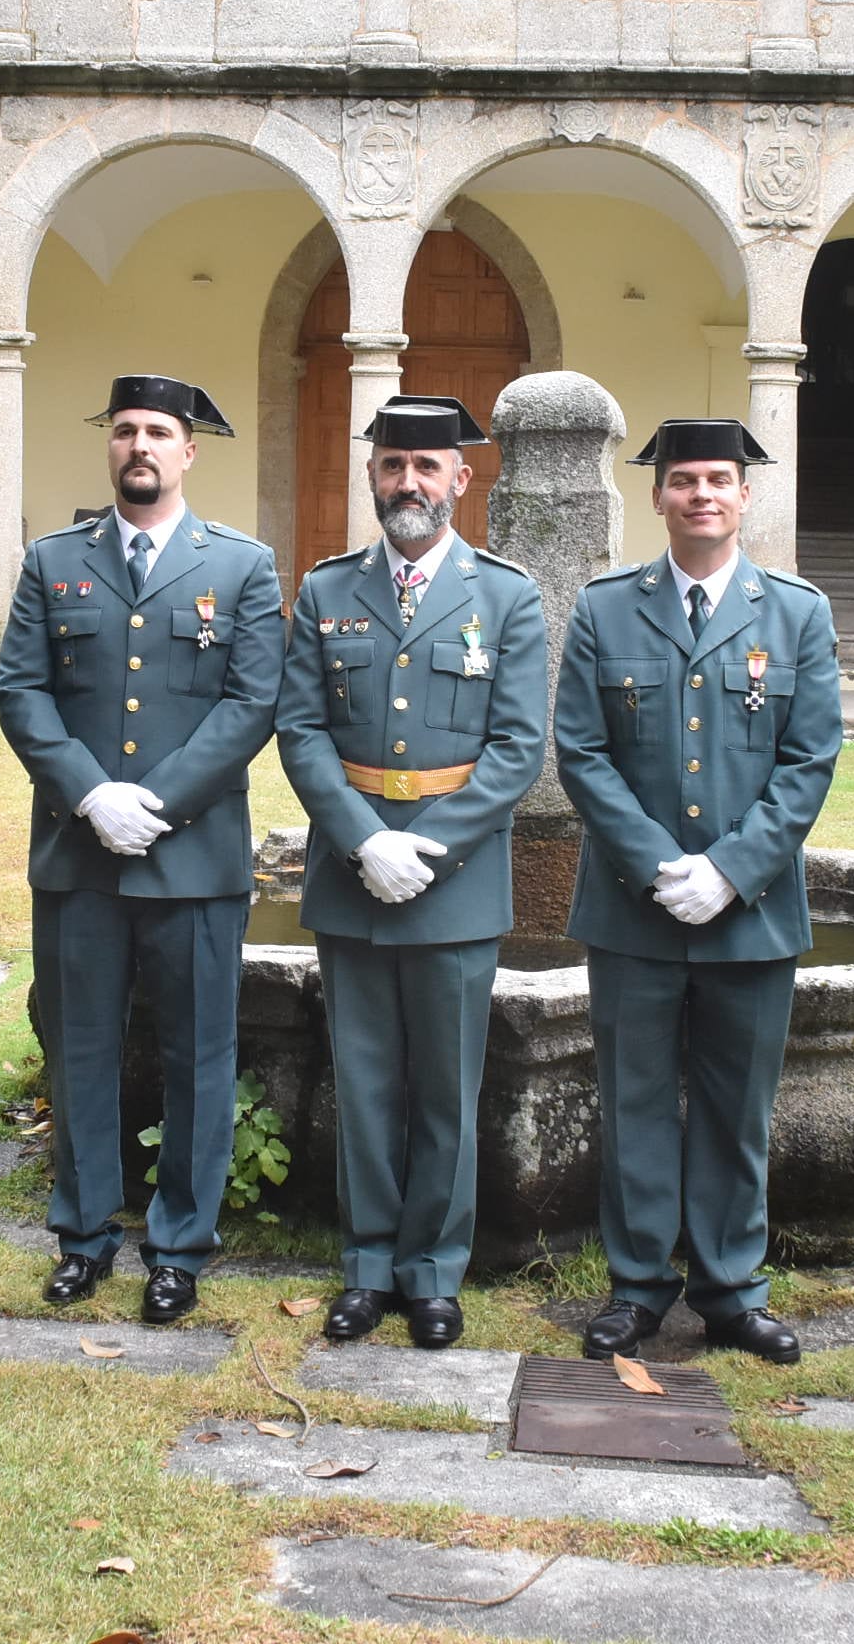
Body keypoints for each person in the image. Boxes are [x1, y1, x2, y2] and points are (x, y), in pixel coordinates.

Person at [0, 376, 283, 1325]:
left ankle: (179, 1245)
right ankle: (82, 1236)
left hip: (192, 856)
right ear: (109, 445)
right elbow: (23, 692)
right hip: (81, 856)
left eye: (159, 431)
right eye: (125, 430)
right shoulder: (52, 561)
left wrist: (154, 802)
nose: (141, 446)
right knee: (81, 1047)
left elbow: (250, 705)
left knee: (200, 1052)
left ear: (189, 451)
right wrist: (90, 795)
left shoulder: (239, 566)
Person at [553, 420, 842, 1365]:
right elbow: (583, 754)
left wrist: (729, 869)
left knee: (736, 1103)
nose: (702, 495)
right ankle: (637, 1288)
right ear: (659, 498)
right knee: (633, 1098)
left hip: (750, 910)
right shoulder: (605, 608)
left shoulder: (795, 612)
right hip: (634, 907)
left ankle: (731, 1290)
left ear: (745, 495)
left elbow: (809, 760)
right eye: (684, 481)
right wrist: (656, 863)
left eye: (719, 479)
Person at [278, 394, 550, 1350]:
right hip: (355, 869)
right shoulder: (326, 590)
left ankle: (433, 1272)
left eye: (428, 467)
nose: (409, 483)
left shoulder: (506, 595)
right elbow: (301, 730)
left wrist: (429, 845)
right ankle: (366, 1267)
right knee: (365, 1080)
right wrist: (363, 841)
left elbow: (518, 748)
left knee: (444, 1086)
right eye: (394, 465)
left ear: (461, 481)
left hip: (456, 876)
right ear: (371, 475)